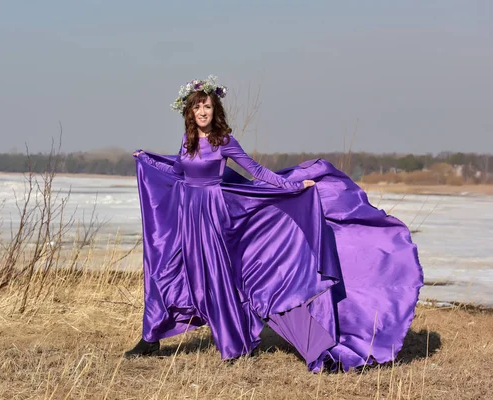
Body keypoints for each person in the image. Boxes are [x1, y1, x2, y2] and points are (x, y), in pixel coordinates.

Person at [126, 75, 423, 372]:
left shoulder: (224, 142)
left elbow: (256, 171)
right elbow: (178, 169)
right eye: (197, 108)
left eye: (207, 107)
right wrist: (147, 160)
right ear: (189, 113)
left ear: (215, 110)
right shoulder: (187, 141)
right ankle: (152, 336)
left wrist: (292, 187)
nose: (202, 112)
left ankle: (236, 344)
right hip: (188, 216)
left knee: (217, 279)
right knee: (172, 271)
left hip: (214, 215)